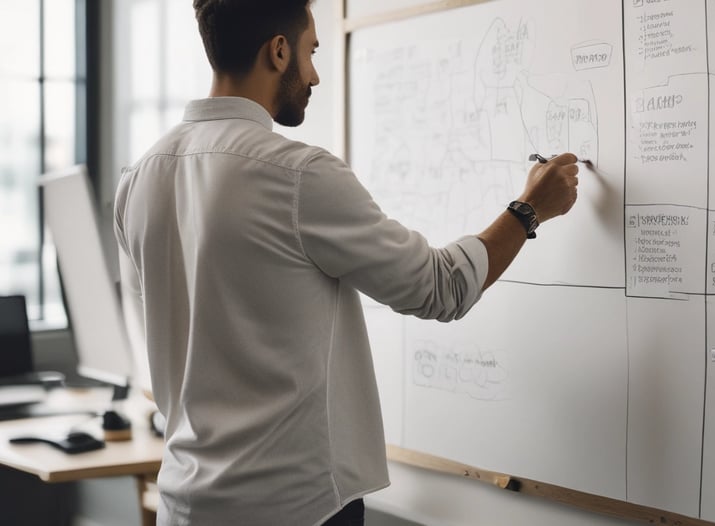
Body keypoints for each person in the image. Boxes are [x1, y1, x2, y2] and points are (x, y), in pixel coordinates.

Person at [113, 1, 580, 525]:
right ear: (279, 50)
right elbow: (440, 287)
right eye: (311, 52)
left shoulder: (138, 180)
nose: (313, 74)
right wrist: (529, 210)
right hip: (295, 509)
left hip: (185, 505)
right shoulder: (295, 175)